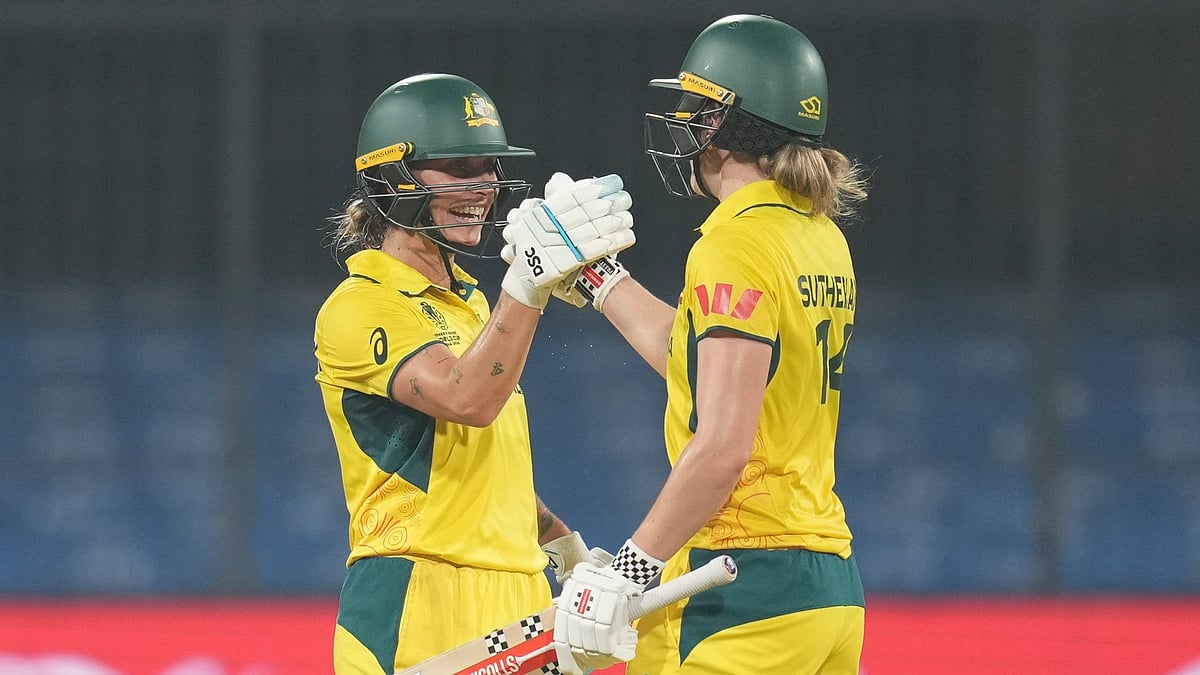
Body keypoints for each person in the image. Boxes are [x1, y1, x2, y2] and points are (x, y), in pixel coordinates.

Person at [547, 14, 870, 675]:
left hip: (743, 585)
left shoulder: (733, 243)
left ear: (727, 125)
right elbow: (698, 355)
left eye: (699, 109)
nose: (687, 125)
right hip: (828, 588)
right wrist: (599, 278)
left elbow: (724, 442)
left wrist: (630, 569)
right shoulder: (817, 234)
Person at [314, 72, 633, 674]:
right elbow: (469, 400)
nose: (483, 187)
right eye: (459, 168)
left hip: (521, 593)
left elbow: (481, 466)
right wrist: (527, 284)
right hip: (418, 599)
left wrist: (563, 549)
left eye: (488, 168)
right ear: (392, 179)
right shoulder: (359, 305)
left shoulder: (475, 304)